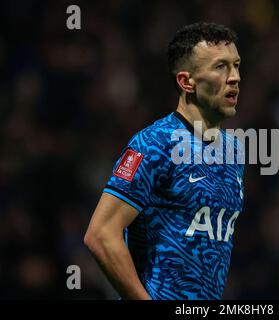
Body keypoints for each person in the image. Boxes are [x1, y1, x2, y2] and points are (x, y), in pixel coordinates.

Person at [84, 22, 244, 300]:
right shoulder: (154, 144)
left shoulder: (234, 151)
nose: (235, 77)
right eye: (221, 67)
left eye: (236, 65)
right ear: (186, 81)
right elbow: (101, 235)